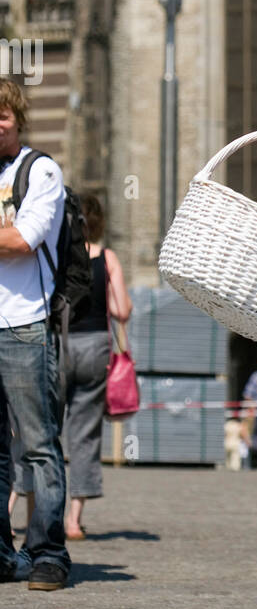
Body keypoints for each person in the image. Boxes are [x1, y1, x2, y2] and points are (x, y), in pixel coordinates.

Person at [0, 79, 70, 589]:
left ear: (17, 119)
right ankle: (3, 555)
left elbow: (23, 239)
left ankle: (48, 552)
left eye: (2, 115)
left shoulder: (40, 170)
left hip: (24, 324)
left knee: (39, 445)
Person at [62, 195, 132, 539]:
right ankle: (73, 520)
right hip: (94, 347)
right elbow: (122, 310)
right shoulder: (107, 258)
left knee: (41, 430)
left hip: (58, 344)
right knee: (84, 434)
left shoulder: (60, 255)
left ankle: (20, 506)